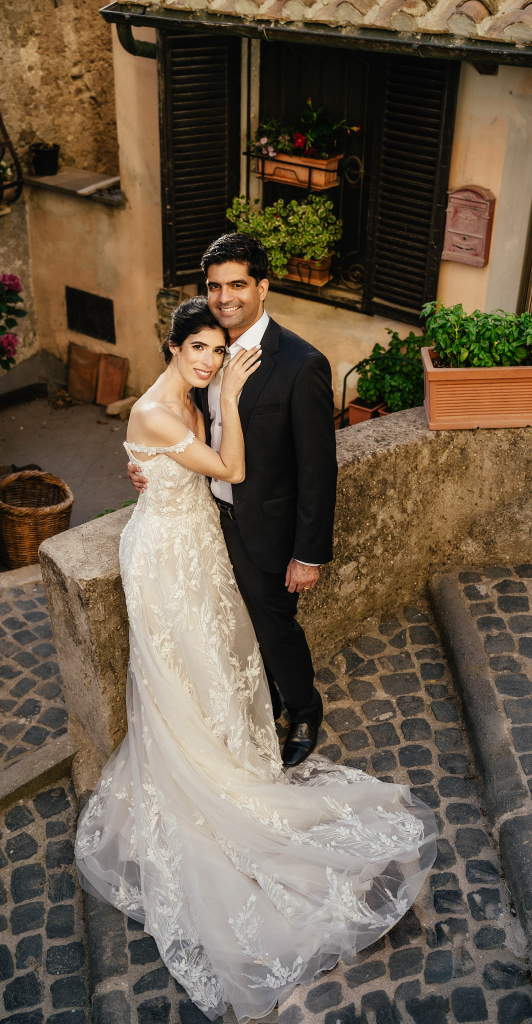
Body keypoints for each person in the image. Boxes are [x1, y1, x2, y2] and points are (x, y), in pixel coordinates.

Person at [75, 295, 437, 1023]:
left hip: (198, 543)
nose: (211, 361)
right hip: (167, 561)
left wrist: (158, 456)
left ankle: (235, 753)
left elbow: (170, 464)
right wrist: (230, 398)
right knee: (183, 672)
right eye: (199, 349)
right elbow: (230, 465)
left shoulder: (187, 396)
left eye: (218, 351)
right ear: (173, 347)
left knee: (219, 663)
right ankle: (207, 778)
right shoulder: (160, 408)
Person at [128, 233, 337, 768]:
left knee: (274, 625)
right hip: (205, 518)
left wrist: (308, 553)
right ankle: (259, 701)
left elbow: (318, 468)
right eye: (215, 286)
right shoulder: (207, 348)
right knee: (227, 627)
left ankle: (304, 709)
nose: (225, 297)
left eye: (238, 285)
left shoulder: (301, 364)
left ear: (262, 287)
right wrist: (146, 464)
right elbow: (173, 421)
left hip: (267, 526)